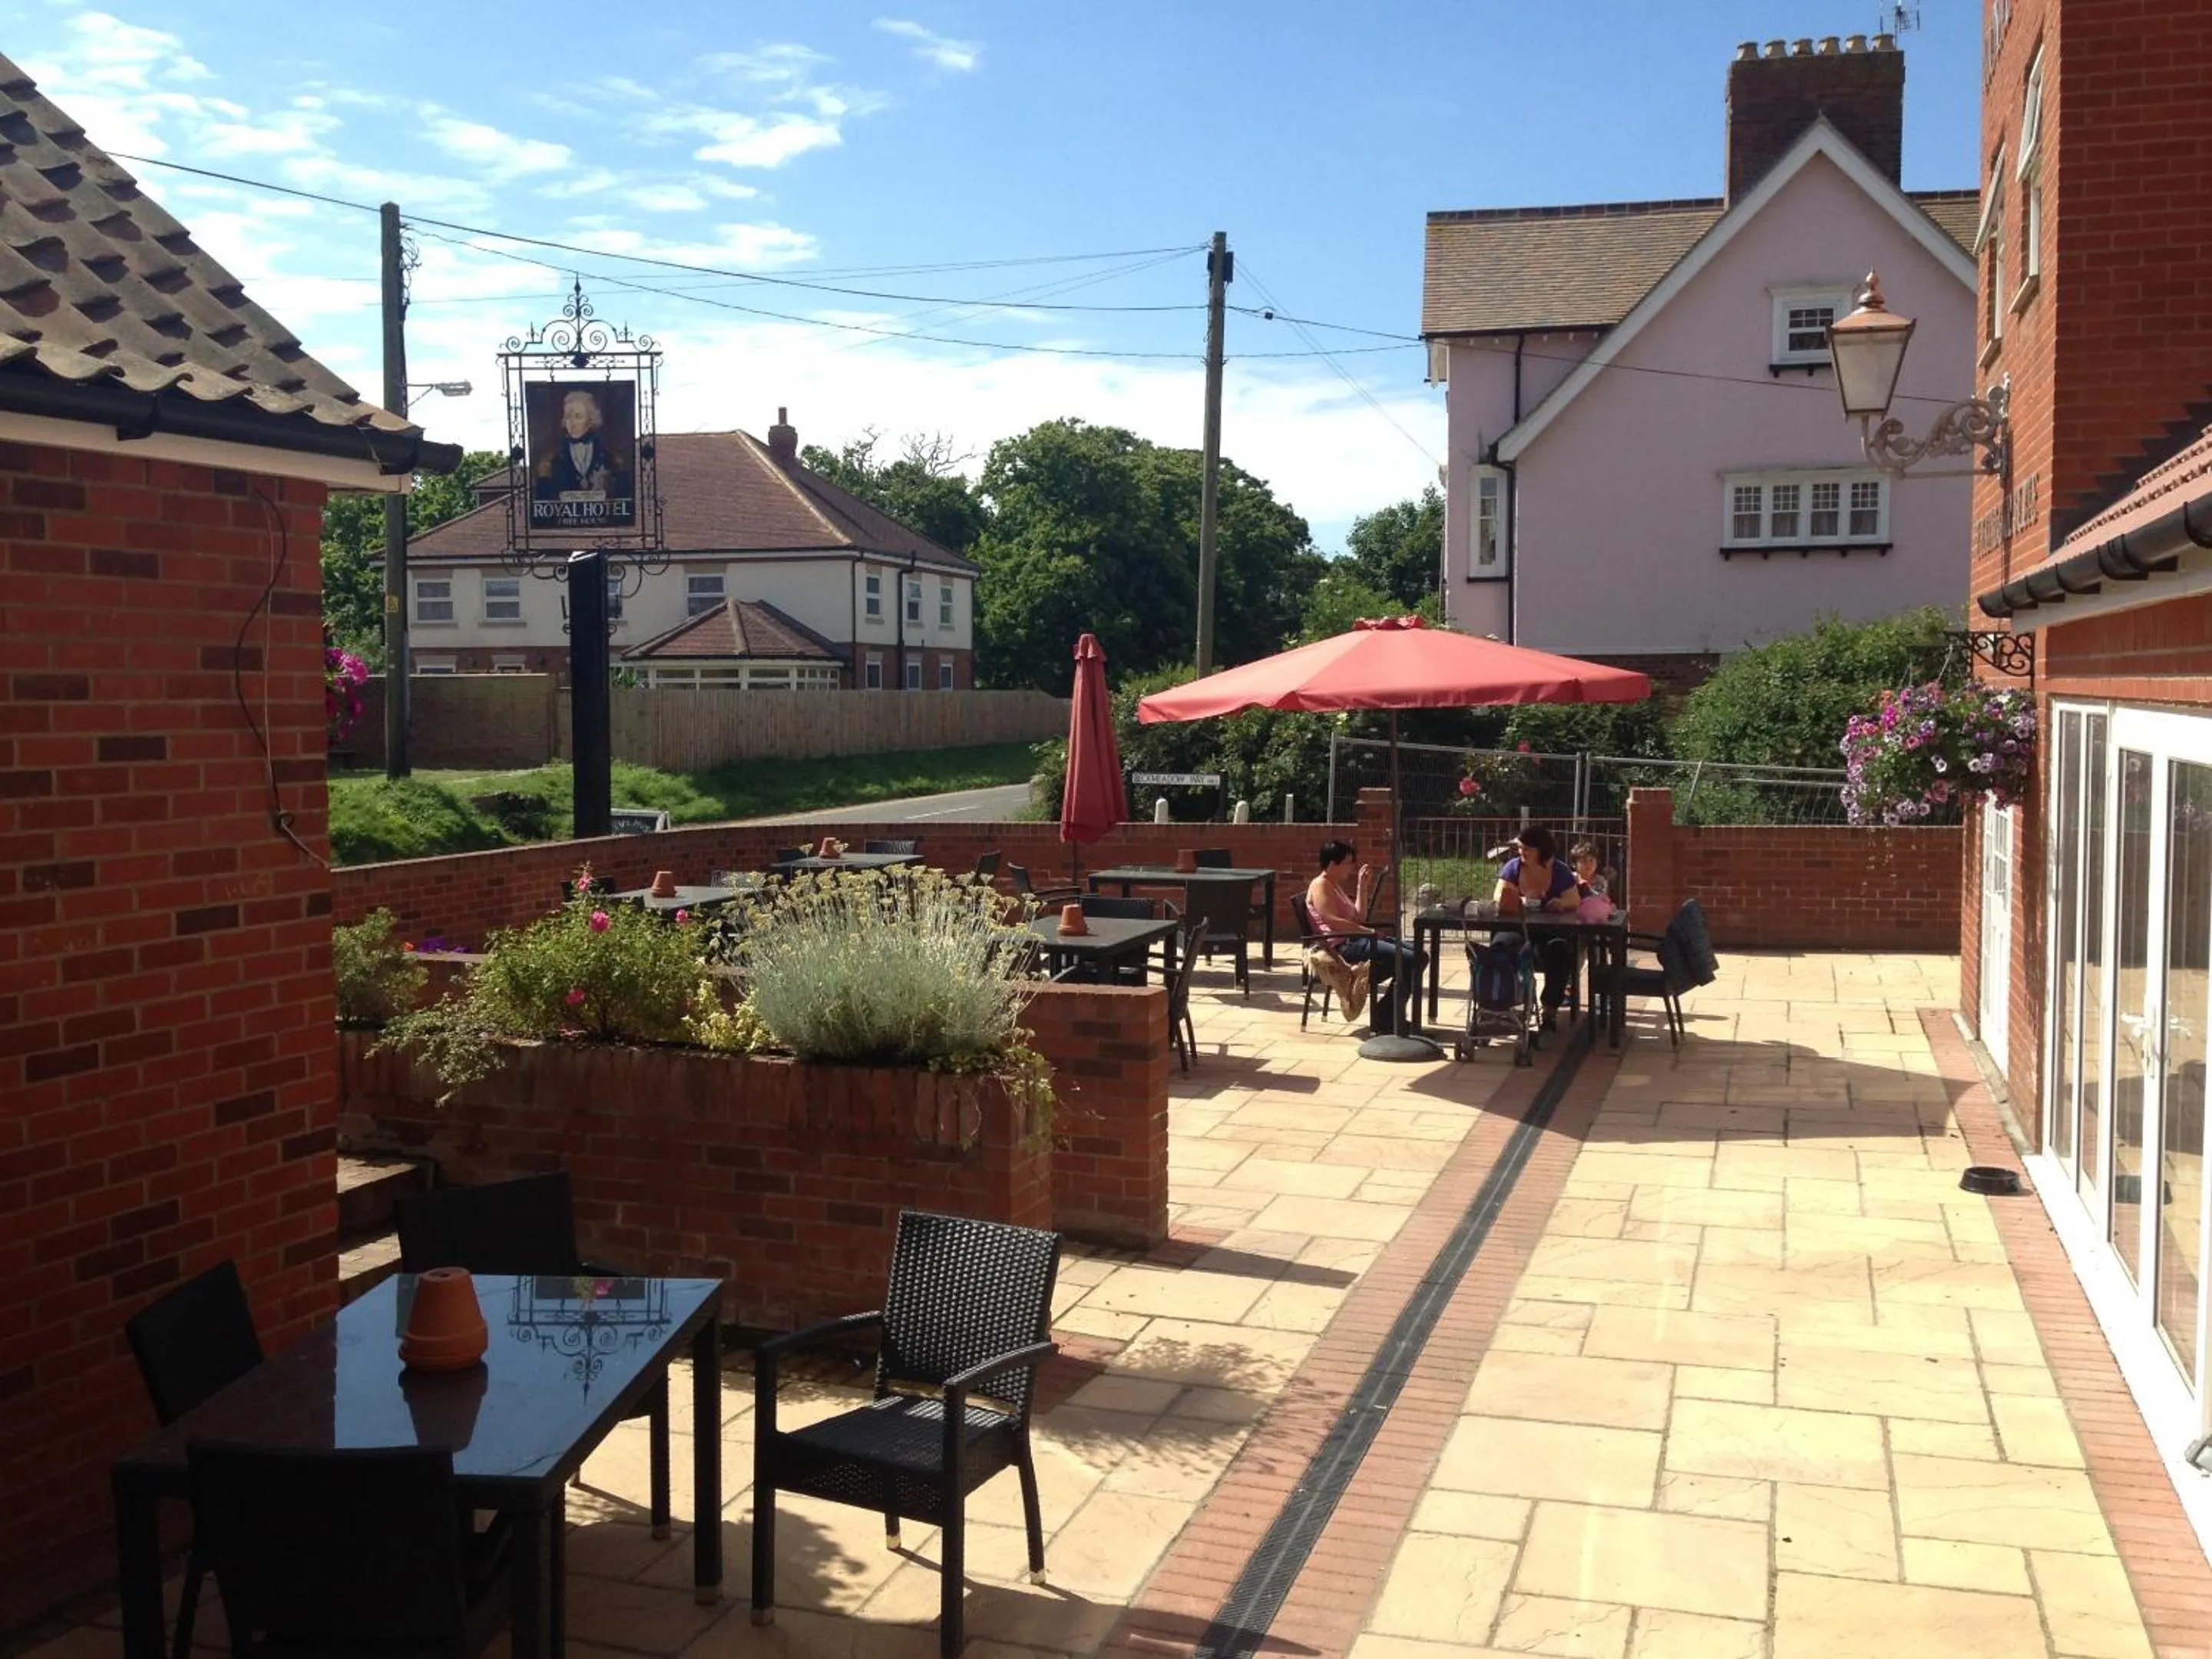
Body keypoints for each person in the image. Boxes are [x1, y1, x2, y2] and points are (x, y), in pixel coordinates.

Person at [1306, 839, 1424, 1036]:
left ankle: (1385, 1014)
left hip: (1356, 939)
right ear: (1333, 864)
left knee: (1419, 956)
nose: (1351, 868)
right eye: (1348, 863)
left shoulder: (1335, 886)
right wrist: (1366, 932)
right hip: (1345, 946)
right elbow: (1332, 921)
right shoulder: (1320, 885)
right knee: (1411, 960)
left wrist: (1362, 887)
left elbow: (1359, 917)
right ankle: (1387, 1017)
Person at [1493, 826, 1581, 1028]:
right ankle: (1501, 1003)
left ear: (1542, 850)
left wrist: (1560, 903)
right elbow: (1498, 896)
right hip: (1518, 930)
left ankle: (1550, 1008)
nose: (1522, 852)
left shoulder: (1560, 871)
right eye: (1520, 848)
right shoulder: (1513, 868)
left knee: (1559, 950)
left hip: (1548, 933)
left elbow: (1574, 900)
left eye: (1527, 849)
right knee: (1500, 946)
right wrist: (1522, 900)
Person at [535, 388, 620, 497]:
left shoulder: (611, 458)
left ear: (591, 419)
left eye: (578, 417)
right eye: (567, 417)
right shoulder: (549, 462)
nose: (571, 423)